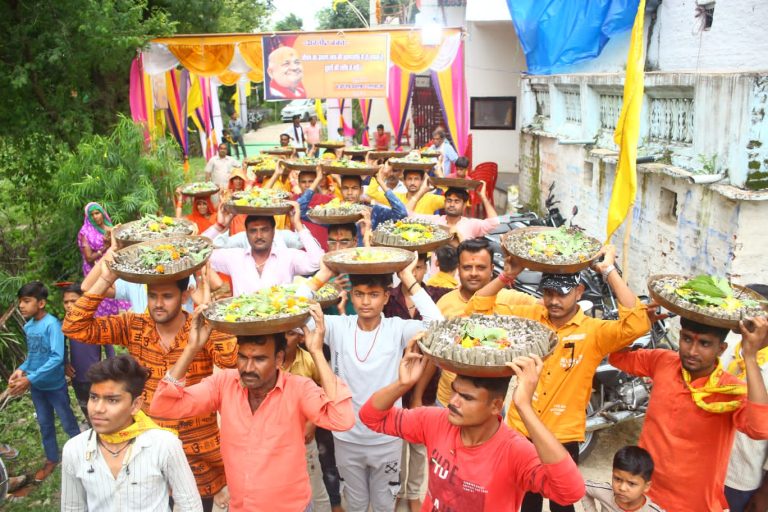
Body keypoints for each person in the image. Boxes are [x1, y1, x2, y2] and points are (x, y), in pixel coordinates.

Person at [468, 247, 650, 512]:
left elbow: (638, 324)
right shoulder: (530, 317)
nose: (553, 301)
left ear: (579, 292)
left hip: (562, 435)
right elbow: (478, 308)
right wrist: (506, 276)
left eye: (562, 294)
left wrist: (608, 270)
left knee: (562, 503)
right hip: (522, 431)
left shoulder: (594, 332)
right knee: (526, 502)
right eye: (548, 293)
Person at [62, 265, 237, 510]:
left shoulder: (200, 329)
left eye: (167, 296)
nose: (158, 303)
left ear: (184, 296)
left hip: (199, 449)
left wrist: (209, 312)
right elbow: (74, 327)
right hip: (146, 446)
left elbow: (230, 360)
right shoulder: (134, 325)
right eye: (152, 295)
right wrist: (107, 276)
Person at [150, 304, 355, 512]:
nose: (248, 368)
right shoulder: (224, 384)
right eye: (243, 357)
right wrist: (192, 348)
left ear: (279, 359)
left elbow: (342, 419)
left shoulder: (298, 388)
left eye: (259, 359)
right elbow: (163, 406)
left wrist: (317, 352)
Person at [359, 340, 585, 511]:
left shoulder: (514, 451)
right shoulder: (436, 421)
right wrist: (403, 384)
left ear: (496, 406)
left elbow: (570, 492)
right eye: (454, 391)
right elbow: (371, 417)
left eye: (466, 398)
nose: (453, 402)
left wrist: (524, 407)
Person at [306, 259, 444, 512]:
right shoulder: (338, 326)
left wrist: (407, 277)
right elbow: (292, 311)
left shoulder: (397, 328)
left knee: (384, 504)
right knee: (355, 503)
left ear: (386, 297)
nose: (365, 302)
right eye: (359, 294)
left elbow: (438, 326)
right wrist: (322, 275)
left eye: (373, 294)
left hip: (386, 438)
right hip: (346, 436)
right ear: (351, 296)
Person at [608, 316, 768, 512]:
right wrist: (639, 323)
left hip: (694, 504)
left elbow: (760, 428)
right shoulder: (663, 361)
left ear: (721, 349)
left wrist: (750, 357)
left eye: (704, 343)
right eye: (687, 339)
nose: (692, 351)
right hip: (645, 495)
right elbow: (617, 357)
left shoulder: (730, 390)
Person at [61, 355, 202, 511]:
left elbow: (190, 505)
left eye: (112, 400)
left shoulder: (164, 445)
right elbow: (72, 507)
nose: (98, 409)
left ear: (135, 405)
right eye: (93, 397)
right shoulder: (74, 450)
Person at [432, 238, 537, 407]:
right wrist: (417, 396)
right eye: (467, 267)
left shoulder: (512, 299)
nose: (474, 273)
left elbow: (550, 307)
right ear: (458, 268)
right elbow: (432, 354)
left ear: (492, 269)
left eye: (481, 267)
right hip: (447, 401)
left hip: (491, 406)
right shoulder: (444, 303)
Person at [381, 254, 448, 512]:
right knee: (396, 443)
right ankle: (397, 489)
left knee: (419, 446)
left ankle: (413, 491)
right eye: (409, 268)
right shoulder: (388, 297)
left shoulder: (434, 296)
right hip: (395, 382)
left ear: (426, 267)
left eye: (419, 267)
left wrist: (418, 393)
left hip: (425, 384)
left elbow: (436, 341)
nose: (414, 272)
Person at [10, 281, 80, 482]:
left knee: (67, 421)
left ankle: (82, 453)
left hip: (55, 387)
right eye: (20, 302)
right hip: (38, 388)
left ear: (40, 303)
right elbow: (33, 356)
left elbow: (57, 357)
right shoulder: (28, 326)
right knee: (44, 423)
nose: (21, 306)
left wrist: (29, 378)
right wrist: (21, 369)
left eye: (26, 301)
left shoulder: (52, 325)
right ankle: (51, 459)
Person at [203, 204, 324, 297]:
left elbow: (317, 262)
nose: (259, 236)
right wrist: (219, 226)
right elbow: (195, 255)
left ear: (273, 231)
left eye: (264, 230)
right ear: (246, 233)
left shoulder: (288, 256)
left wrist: (297, 224)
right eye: (253, 231)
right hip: (241, 322)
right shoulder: (234, 257)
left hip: (281, 321)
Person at [722, 283, 768, 512]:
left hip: (740, 477)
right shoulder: (728, 347)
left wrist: (765, 493)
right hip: (709, 462)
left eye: (748, 311)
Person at [282, 327, 333, 512]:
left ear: (301, 338)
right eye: (280, 333)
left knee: (315, 486)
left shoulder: (309, 361)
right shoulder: (269, 361)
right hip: (276, 438)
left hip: (304, 437)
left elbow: (327, 389)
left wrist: (312, 422)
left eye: (290, 333)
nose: (284, 338)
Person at [62, 282, 115, 422]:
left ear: (83, 301)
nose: (69, 305)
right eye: (66, 302)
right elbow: (62, 346)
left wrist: (111, 368)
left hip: (95, 375)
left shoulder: (96, 322)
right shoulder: (66, 324)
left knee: (102, 408)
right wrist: (65, 363)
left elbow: (108, 347)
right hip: (76, 376)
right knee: (86, 408)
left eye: (73, 301)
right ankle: (94, 430)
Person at [77, 202, 125, 317]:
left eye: (97, 213)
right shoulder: (85, 232)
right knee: (102, 297)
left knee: (119, 297)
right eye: (92, 215)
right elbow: (89, 258)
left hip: (113, 267)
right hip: (96, 270)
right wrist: (105, 248)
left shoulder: (111, 228)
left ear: (102, 213)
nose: (95, 216)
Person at [582, 445, 663, 512]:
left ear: (646, 486)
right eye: (617, 479)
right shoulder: (605, 493)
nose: (622, 488)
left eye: (631, 483)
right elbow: (583, 487)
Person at [410, 186, 499, 242]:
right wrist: (422, 191)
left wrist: (483, 197)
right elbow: (407, 214)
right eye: (449, 200)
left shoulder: (471, 224)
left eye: (457, 201)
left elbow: (494, 222)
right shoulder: (434, 222)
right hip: (436, 268)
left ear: (464, 205)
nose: (452, 204)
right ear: (444, 202)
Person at [367, 168, 444, 215]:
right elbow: (372, 192)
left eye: (416, 179)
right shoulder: (397, 198)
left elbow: (448, 199)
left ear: (422, 181)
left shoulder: (431, 199)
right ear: (404, 181)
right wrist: (383, 173)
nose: (412, 183)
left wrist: (439, 179)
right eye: (409, 179)